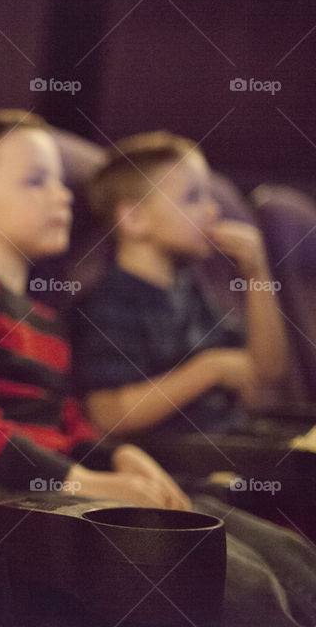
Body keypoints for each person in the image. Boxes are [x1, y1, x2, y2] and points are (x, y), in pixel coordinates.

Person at [0, 110, 189, 510]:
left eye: (61, 182)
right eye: (36, 181)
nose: (62, 195)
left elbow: (63, 423)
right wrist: (82, 482)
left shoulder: (45, 319)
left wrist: (117, 457)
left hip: (55, 495)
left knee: (257, 542)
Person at [71, 131, 289, 437]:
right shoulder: (108, 303)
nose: (212, 211)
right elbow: (107, 414)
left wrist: (257, 274)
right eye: (193, 197)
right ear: (135, 218)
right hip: (177, 462)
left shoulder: (188, 289)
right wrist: (209, 370)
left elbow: (265, 377)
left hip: (229, 440)